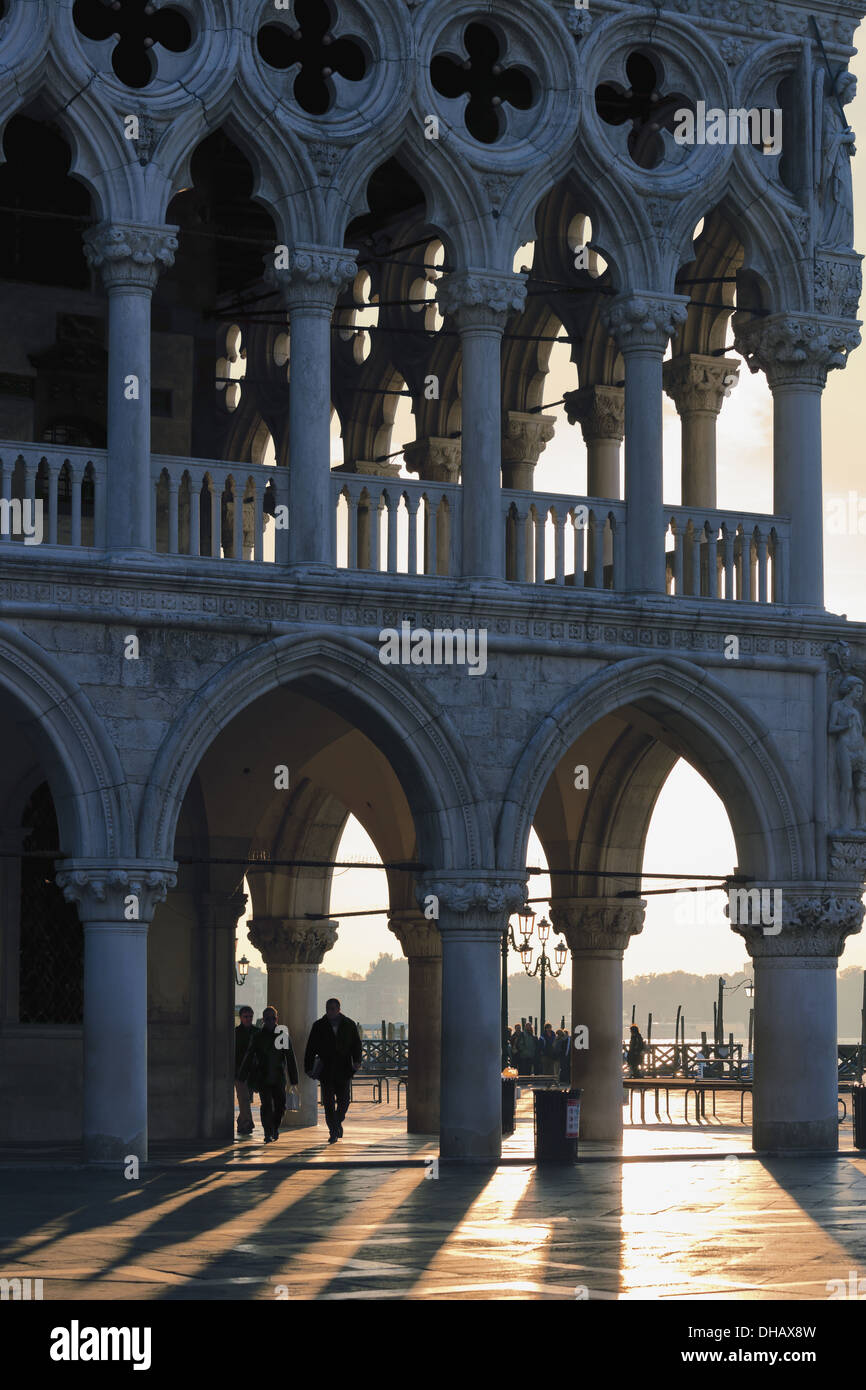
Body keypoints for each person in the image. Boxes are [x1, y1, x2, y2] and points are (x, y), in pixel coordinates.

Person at [305, 998, 362, 1144]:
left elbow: (356, 1044)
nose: (329, 1011)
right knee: (329, 1104)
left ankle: (336, 1123)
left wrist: (357, 1061)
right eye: (327, 1008)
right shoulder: (319, 1026)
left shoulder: (349, 1024)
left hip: (344, 1069)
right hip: (327, 1069)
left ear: (338, 1009)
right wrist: (309, 1067)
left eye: (332, 1009)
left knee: (344, 1102)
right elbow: (311, 1048)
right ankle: (333, 1131)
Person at [240, 1005, 299, 1143]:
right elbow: (249, 1056)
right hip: (263, 1076)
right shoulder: (258, 1036)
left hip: (279, 1077)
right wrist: (242, 1075)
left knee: (280, 1105)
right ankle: (268, 1132)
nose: (270, 1021)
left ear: (276, 1019)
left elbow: (290, 1058)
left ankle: (274, 1127)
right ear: (264, 1020)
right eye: (267, 1018)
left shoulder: (283, 1036)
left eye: (273, 1018)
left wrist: (294, 1079)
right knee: (266, 1105)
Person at [234, 1005, 259, 1136]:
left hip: (252, 1072)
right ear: (241, 1018)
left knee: (247, 1099)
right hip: (240, 1072)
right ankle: (248, 1123)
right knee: (243, 1098)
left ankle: (241, 1122)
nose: (248, 1019)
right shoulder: (235, 1033)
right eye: (246, 1017)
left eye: (250, 1017)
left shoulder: (257, 1032)